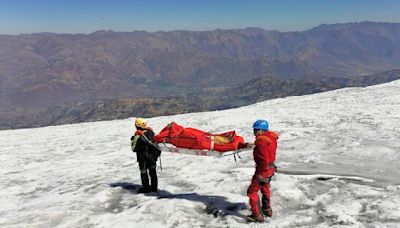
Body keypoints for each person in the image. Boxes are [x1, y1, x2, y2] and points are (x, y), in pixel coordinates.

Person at [246, 119, 279, 223]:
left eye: (256, 130)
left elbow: (264, 160)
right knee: (265, 187)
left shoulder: (261, 141)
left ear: (261, 130)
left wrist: (259, 174)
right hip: (271, 169)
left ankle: (256, 215)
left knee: (252, 192)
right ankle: (267, 209)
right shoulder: (271, 137)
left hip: (263, 170)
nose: (254, 132)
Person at [131, 118, 161, 193]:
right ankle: (154, 189)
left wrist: (133, 138)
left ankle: (146, 189)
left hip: (143, 158)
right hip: (152, 157)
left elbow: (134, 148)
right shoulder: (151, 132)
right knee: (153, 172)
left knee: (144, 173)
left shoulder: (138, 135)